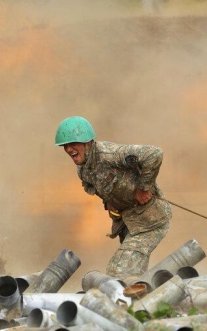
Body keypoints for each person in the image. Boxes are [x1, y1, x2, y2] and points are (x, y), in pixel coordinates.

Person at [54, 116, 172, 280]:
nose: (68, 149)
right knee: (132, 273)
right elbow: (103, 188)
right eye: (65, 146)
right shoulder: (83, 170)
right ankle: (144, 299)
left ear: (88, 142)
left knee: (119, 272)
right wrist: (110, 202)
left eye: (73, 144)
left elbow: (154, 154)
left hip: (149, 221)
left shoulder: (110, 154)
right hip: (128, 224)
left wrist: (143, 188)